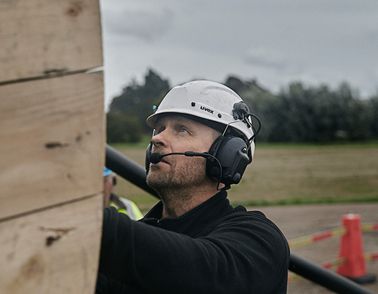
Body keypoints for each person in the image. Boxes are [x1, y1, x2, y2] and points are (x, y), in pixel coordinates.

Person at [96, 80, 290, 293]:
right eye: (159, 129)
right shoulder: (138, 240)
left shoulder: (259, 241)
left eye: (181, 130)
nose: (158, 138)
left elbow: (198, 272)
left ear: (226, 155)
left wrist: (92, 222)